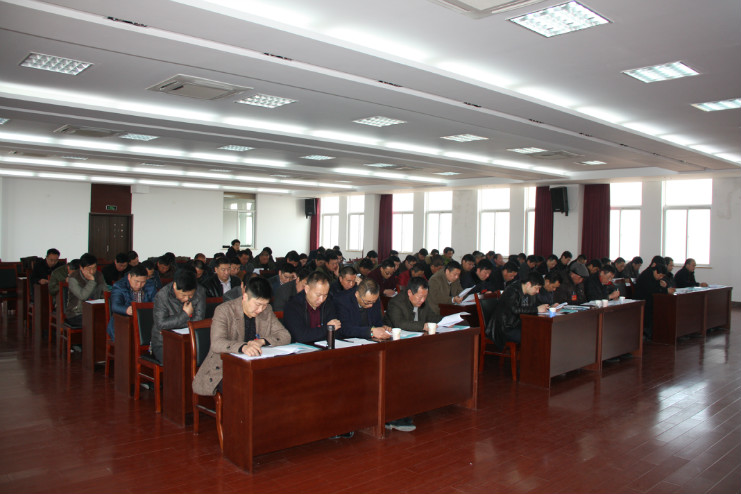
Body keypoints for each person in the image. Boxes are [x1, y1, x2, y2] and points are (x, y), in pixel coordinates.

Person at [192, 276, 291, 396]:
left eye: (265, 305)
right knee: (245, 387)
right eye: (258, 304)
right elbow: (217, 343)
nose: (260, 309)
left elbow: (285, 335)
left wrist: (262, 341)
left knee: (279, 383)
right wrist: (243, 347)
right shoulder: (224, 311)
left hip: (255, 367)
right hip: (224, 368)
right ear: (245, 297)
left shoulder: (267, 310)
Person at [151, 268, 206, 363]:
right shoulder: (162, 296)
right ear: (175, 286)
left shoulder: (200, 291)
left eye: (190, 295)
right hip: (164, 342)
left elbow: (198, 320)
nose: (187, 298)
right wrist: (185, 314)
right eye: (183, 295)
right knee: (177, 361)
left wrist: (172, 325)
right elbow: (161, 324)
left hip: (191, 340)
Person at [487, 272, 548, 349]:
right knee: (530, 336)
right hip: (504, 327)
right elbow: (515, 309)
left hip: (516, 324)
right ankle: (526, 356)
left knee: (539, 332)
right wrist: (537, 309)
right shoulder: (512, 290)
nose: (538, 291)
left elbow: (530, 307)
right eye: (537, 288)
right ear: (528, 284)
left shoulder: (529, 293)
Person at [282, 271, 341, 344]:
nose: (321, 299)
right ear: (307, 289)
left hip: (324, 346)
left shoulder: (328, 303)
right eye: (318, 295)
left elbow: (336, 332)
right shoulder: (293, 306)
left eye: (325, 295)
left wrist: (317, 333)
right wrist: (327, 328)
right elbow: (301, 336)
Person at [107, 264, 157, 339]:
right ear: (129, 277)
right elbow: (115, 306)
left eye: (143, 282)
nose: (139, 285)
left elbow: (156, 304)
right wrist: (127, 310)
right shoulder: (119, 286)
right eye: (136, 281)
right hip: (123, 323)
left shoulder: (150, 285)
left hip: (145, 321)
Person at [65, 253, 106, 327]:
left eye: (94, 268)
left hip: (94, 310)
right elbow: (83, 296)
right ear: (81, 267)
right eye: (89, 268)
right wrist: (92, 281)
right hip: (76, 314)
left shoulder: (99, 275)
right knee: (95, 322)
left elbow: (105, 292)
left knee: (109, 319)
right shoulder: (73, 278)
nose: (92, 271)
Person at [634, 263, 669, 339]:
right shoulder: (647, 275)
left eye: (662, 276)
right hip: (642, 300)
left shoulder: (655, 276)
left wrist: (664, 286)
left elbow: (657, 289)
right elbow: (652, 291)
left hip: (650, 299)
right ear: (655, 271)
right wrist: (665, 290)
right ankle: (647, 331)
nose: (660, 277)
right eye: (660, 275)